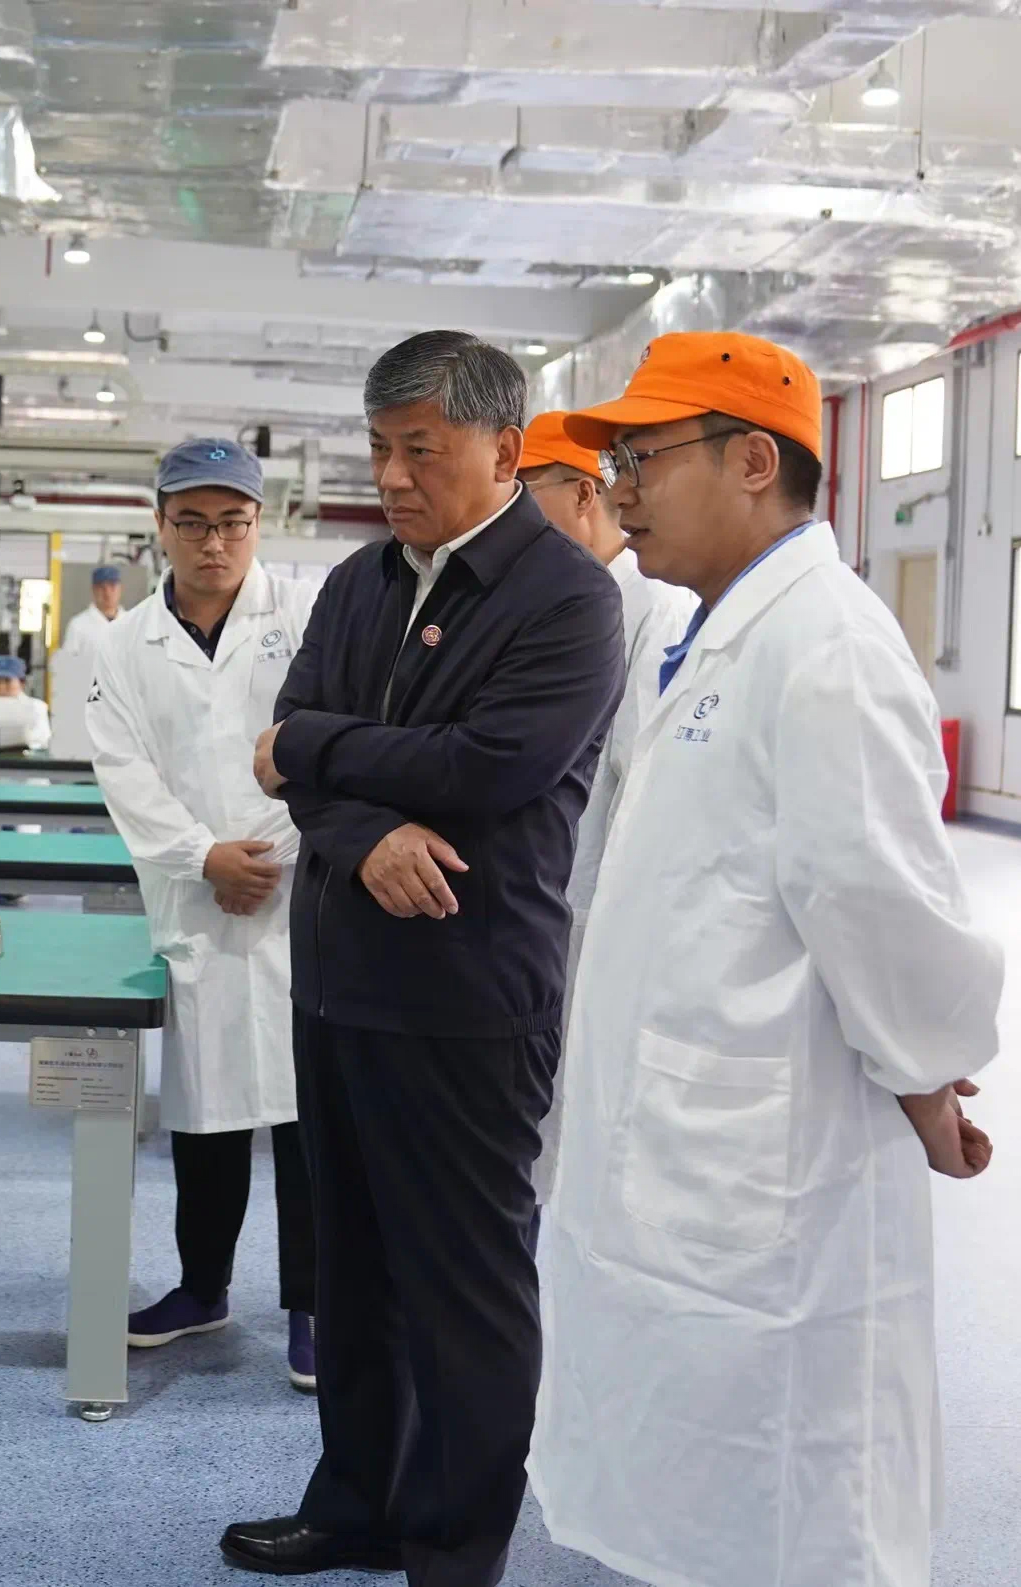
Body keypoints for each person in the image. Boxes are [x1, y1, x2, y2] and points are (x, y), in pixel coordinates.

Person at [528, 331, 1004, 1587]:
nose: (620, 489)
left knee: (794, 1499)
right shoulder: (712, 636)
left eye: (644, 458)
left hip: (775, 1165)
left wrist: (928, 1074)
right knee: (699, 1480)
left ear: (752, 461)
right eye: (616, 464)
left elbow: (882, 904)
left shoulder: (827, 647)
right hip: (694, 1142)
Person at [231, 331, 624, 1584]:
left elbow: (490, 768)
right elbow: (290, 749)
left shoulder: (566, 600)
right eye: (380, 450)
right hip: (340, 980)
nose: (394, 477)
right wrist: (364, 825)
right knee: (350, 1273)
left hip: (466, 995)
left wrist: (316, 751)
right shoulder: (361, 582)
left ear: (505, 451)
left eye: (421, 450)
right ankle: (357, 1506)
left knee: (463, 1289)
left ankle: (452, 1549)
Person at [85, 437, 320, 1391]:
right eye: (192, 522)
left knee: (311, 1116)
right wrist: (203, 856)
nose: (213, 542)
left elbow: (333, 739)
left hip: (296, 893)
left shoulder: (303, 616)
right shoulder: (123, 645)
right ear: (160, 526)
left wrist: (264, 853)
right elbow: (124, 770)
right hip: (194, 901)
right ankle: (202, 1287)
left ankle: (316, 1306)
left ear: (259, 524)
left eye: (232, 522)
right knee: (205, 1106)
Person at [517, 411, 697, 1202]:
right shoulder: (566, 601)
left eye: (526, 496)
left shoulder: (649, 610)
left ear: (584, 493)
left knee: (571, 1139)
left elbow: (640, 791)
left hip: (594, 917)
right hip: (552, 908)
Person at [61, 564, 124, 654]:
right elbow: (68, 660)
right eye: (102, 587)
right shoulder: (78, 625)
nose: (107, 593)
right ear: (93, 590)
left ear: (120, 588)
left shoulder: (131, 622)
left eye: (112, 586)